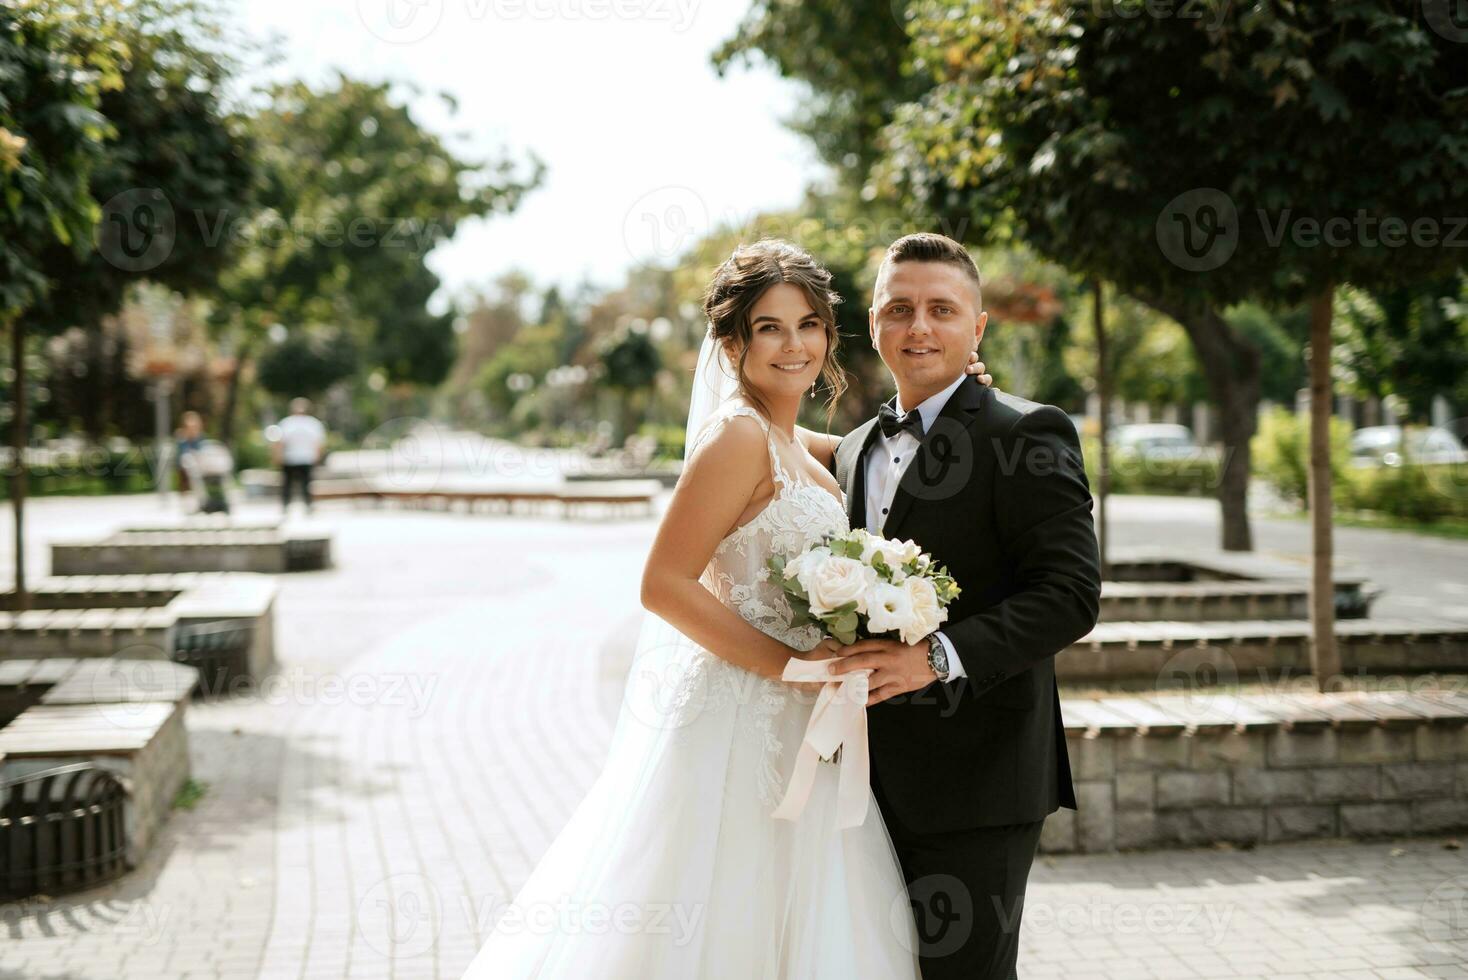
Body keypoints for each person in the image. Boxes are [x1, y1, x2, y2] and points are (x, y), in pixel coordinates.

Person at [459, 240, 1007, 980]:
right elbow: (664, 584)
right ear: (731, 342)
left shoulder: (802, 445)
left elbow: (884, 448)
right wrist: (788, 662)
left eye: (809, 324)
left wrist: (959, 381)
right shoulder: (737, 437)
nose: (795, 345)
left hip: (805, 727)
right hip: (737, 724)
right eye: (770, 327)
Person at [828, 233, 1101, 979]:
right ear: (875, 324)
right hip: (867, 782)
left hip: (981, 779)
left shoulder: (1027, 432)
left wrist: (936, 658)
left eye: (941, 309)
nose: (919, 327)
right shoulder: (854, 447)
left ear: (977, 327)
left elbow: (1071, 594)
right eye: (899, 308)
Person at [272, 397, 326, 516]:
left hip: (304, 458)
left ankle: (307, 506)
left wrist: (317, 457)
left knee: (305, 485)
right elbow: (279, 443)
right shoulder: (288, 423)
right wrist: (278, 456)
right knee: (289, 485)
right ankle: (286, 506)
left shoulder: (310, 424)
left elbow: (318, 444)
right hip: (291, 459)